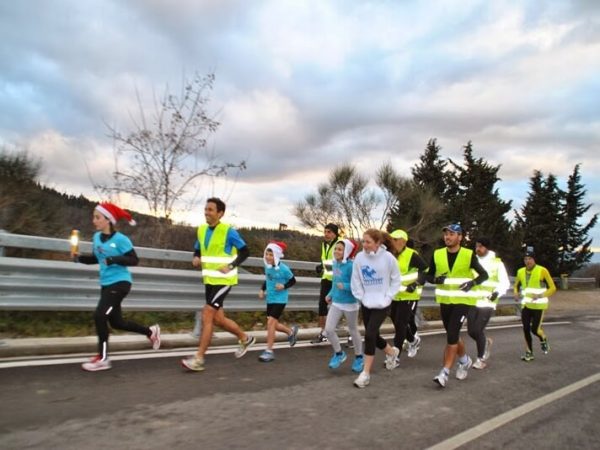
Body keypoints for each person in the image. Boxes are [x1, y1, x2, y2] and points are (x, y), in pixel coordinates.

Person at [75, 202, 160, 372]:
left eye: (97, 217)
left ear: (108, 220)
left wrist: (115, 259)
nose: (94, 220)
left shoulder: (121, 239)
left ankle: (103, 358)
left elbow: (134, 260)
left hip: (120, 283)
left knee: (100, 316)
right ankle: (150, 332)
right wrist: (79, 258)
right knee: (117, 322)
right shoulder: (96, 238)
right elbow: (96, 258)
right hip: (106, 284)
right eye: (94, 217)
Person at [181, 197, 255, 371]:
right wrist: (196, 256)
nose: (207, 212)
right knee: (219, 320)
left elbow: (245, 252)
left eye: (211, 210)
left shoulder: (229, 231)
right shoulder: (201, 230)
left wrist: (230, 266)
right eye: (206, 209)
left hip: (224, 281)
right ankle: (245, 338)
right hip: (209, 280)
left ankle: (199, 359)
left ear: (220, 213)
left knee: (207, 314)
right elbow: (199, 247)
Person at [427, 223, 488, 388]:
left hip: (462, 301)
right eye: (446, 234)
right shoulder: (437, 254)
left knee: (452, 334)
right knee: (452, 335)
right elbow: (428, 275)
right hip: (445, 301)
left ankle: (444, 372)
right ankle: (464, 360)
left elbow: (484, 275)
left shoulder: (468, 255)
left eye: (452, 234)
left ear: (460, 237)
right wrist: (435, 279)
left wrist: (472, 283)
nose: (448, 237)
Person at [351, 229, 402, 388]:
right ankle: (392, 353)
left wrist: (388, 297)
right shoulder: (359, 257)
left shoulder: (388, 258)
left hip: (382, 303)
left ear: (378, 243)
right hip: (366, 303)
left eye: (368, 242)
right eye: (363, 241)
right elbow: (356, 279)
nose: (364, 245)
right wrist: (361, 296)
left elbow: (396, 280)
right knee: (374, 335)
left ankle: (365, 374)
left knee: (370, 334)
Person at [467, 237, 510, 369]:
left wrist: (497, 293)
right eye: (476, 247)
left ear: (486, 248)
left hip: (487, 302)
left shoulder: (497, 263)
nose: (477, 249)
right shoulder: (472, 261)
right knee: (470, 331)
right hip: (472, 300)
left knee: (477, 330)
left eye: (480, 246)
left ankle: (480, 359)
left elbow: (505, 282)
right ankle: (485, 343)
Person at [388, 229, 428, 368]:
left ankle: (395, 357)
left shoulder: (412, 255)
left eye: (395, 239)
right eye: (391, 239)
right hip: (394, 295)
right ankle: (412, 340)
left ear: (403, 241)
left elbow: (425, 269)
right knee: (394, 319)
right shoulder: (390, 254)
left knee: (400, 324)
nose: (392, 242)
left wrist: (416, 283)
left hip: (409, 295)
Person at [323, 239, 364, 373]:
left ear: (346, 252)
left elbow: (358, 286)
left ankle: (359, 357)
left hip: (350, 303)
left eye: (340, 249)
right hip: (337, 303)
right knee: (328, 330)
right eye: (336, 249)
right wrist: (330, 294)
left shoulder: (351, 266)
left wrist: (345, 286)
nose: (336, 251)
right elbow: (335, 282)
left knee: (353, 330)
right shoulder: (335, 264)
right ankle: (339, 354)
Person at [258, 241, 299, 362]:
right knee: (273, 324)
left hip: (280, 299)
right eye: (267, 254)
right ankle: (290, 332)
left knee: (270, 323)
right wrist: (262, 289)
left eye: (271, 255)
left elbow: (293, 281)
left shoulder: (284, 269)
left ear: (276, 255)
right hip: (270, 298)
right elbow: (267, 280)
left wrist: (284, 286)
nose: (268, 257)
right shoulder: (268, 267)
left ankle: (269, 351)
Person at [513, 246, 556, 362]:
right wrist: (516, 293)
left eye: (530, 258)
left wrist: (540, 296)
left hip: (538, 306)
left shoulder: (542, 270)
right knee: (526, 329)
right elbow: (516, 286)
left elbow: (552, 288)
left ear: (534, 259)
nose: (527, 261)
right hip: (526, 306)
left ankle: (543, 338)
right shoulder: (520, 271)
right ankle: (529, 352)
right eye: (525, 259)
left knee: (535, 330)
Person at [312, 223, 342, 344]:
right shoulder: (324, 244)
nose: (326, 234)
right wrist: (321, 266)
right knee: (322, 304)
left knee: (342, 307)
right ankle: (324, 332)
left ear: (335, 233)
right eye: (325, 232)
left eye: (329, 232)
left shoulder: (340, 244)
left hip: (338, 279)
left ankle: (351, 334)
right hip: (326, 278)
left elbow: (342, 260)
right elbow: (325, 259)